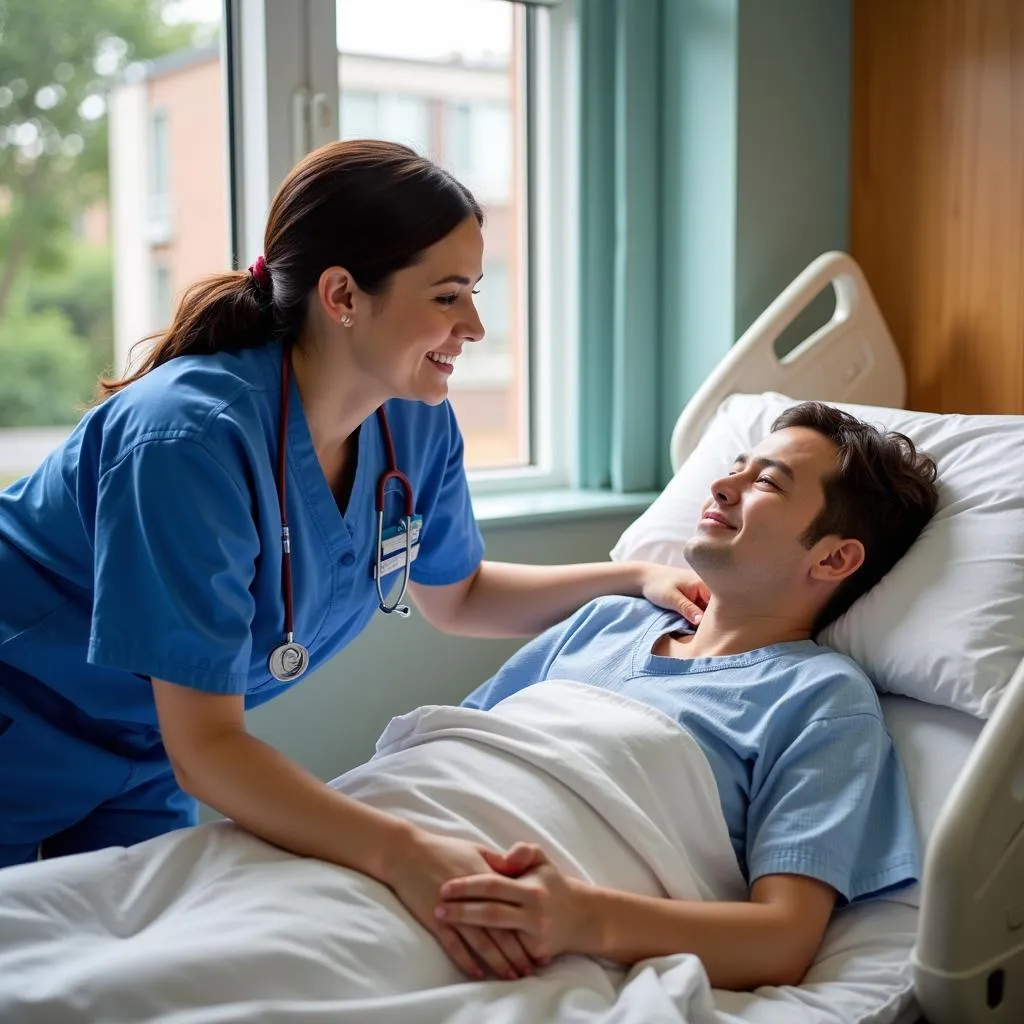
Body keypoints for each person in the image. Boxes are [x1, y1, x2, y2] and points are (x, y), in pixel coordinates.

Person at [0, 140, 707, 977]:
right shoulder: (189, 440)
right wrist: (406, 852)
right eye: (448, 297)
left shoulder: (414, 419)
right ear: (341, 294)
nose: (474, 327)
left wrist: (631, 576)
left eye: (474, 295)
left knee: (118, 974)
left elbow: (461, 594)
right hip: (24, 721)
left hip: (143, 748)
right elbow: (213, 746)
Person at [437, 401, 940, 991]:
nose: (723, 486)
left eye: (767, 483)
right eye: (735, 467)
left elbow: (781, 939)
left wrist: (581, 919)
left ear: (833, 557)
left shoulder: (821, 699)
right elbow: (453, 748)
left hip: (492, 914)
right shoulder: (603, 622)